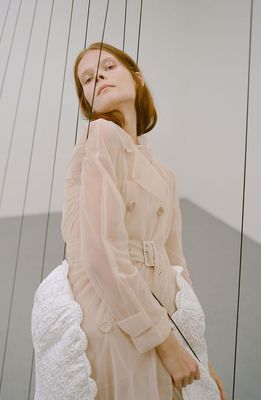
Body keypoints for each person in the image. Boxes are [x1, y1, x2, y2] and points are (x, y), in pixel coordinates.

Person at [32, 42, 227, 399]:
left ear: (137, 80)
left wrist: (197, 353)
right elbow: (100, 254)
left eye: (108, 67)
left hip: (162, 316)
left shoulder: (164, 174)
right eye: (88, 78)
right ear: (87, 102)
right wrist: (167, 345)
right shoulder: (100, 138)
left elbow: (177, 269)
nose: (99, 77)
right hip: (114, 315)